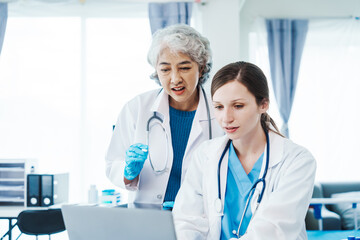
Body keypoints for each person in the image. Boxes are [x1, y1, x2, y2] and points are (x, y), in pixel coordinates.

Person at [173, 61, 316, 239]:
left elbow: (275, 229)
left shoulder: (297, 160)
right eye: (219, 107)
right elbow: (186, 220)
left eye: (238, 106)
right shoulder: (205, 155)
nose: (226, 118)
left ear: (263, 105)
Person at [105, 24, 223, 206]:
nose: (175, 79)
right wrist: (128, 171)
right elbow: (113, 163)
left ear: (201, 68)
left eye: (184, 68)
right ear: (156, 71)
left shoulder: (220, 113)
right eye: (165, 69)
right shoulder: (136, 108)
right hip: (147, 220)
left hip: (199, 221)